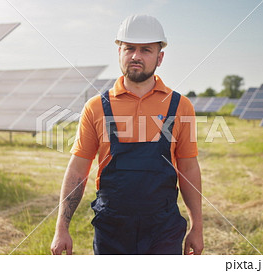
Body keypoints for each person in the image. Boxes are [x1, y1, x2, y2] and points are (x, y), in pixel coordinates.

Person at [51, 14, 203, 255]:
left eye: (145, 50)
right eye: (129, 48)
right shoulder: (96, 107)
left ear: (159, 57)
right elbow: (78, 170)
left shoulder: (180, 106)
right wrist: (62, 228)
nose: (136, 56)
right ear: (119, 52)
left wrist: (197, 226)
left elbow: (188, 168)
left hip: (164, 229)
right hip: (112, 229)